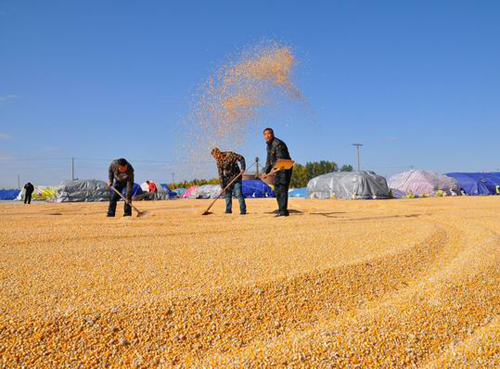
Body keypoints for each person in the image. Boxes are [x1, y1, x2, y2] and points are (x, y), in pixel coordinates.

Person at [262, 128, 292, 217]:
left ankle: (282, 212)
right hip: (278, 169)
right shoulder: (268, 146)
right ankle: (283, 211)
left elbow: (280, 158)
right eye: (265, 134)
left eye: (269, 134)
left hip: (284, 168)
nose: (267, 136)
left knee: (282, 188)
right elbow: (268, 160)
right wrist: (265, 171)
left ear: (272, 134)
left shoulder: (277, 143)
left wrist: (273, 169)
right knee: (277, 189)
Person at [211, 148, 247, 215]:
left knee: (238, 193)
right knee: (227, 195)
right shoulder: (218, 162)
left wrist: (243, 168)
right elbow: (220, 174)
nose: (216, 158)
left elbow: (241, 158)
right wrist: (222, 186)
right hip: (227, 179)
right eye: (214, 157)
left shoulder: (230, 155)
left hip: (236, 176)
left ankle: (243, 210)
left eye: (216, 156)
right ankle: (228, 210)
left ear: (219, 153)